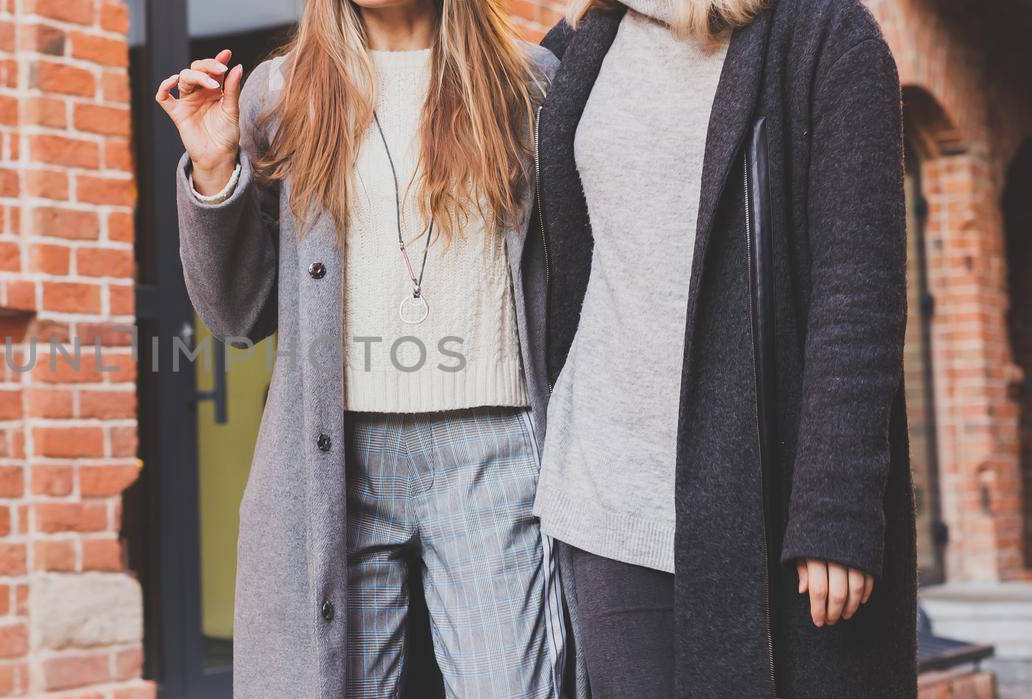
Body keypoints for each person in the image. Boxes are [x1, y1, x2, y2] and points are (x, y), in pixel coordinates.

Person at [156, 0, 583, 696]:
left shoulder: (528, 83)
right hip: (336, 458)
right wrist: (213, 173)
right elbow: (238, 315)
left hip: (494, 449)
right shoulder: (281, 91)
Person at [530, 0, 919, 696]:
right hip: (606, 493)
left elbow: (859, 286)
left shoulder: (826, 36)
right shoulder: (586, 44)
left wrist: (837, 506)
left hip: (761, 500)